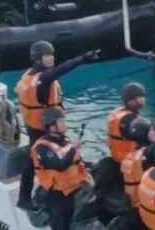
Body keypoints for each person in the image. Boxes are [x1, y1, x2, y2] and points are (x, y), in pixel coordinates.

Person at [15, 40, 98, 210]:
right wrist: (83, 59)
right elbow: (63, 69)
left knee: (34, 161)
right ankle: (36, 196)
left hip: (34, 124)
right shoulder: (43, 79)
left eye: (52, 54)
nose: (52, 58)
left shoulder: (28, 76)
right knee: (46, 160)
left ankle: (25, 197)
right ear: (38, 59)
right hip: (43, 129)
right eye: (48, 55)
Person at [30, 108, 92, 230]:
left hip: (74, 191)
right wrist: (73, 148)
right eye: (61, 121)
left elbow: (76, 162)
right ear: (52, 126)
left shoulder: (64, 141)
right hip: (58, 197)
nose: (65, 124)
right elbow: (59, 165)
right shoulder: (42, 147)